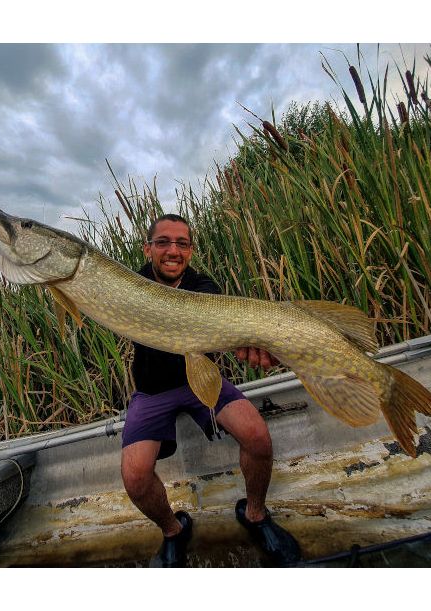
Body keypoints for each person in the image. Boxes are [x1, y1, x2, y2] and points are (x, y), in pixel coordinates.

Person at [120, 213, 301, 568]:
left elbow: (232, 331)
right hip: (152, 391)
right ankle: (174, 531)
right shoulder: (131, 283)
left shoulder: (204, 288)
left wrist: (257, 343)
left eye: (182, 244)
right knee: (135, 477)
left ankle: (255, 514)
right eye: (163, 242)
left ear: (190, 251)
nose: (173, 250)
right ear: (148, 249)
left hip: (200, 381)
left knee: (258, 437)